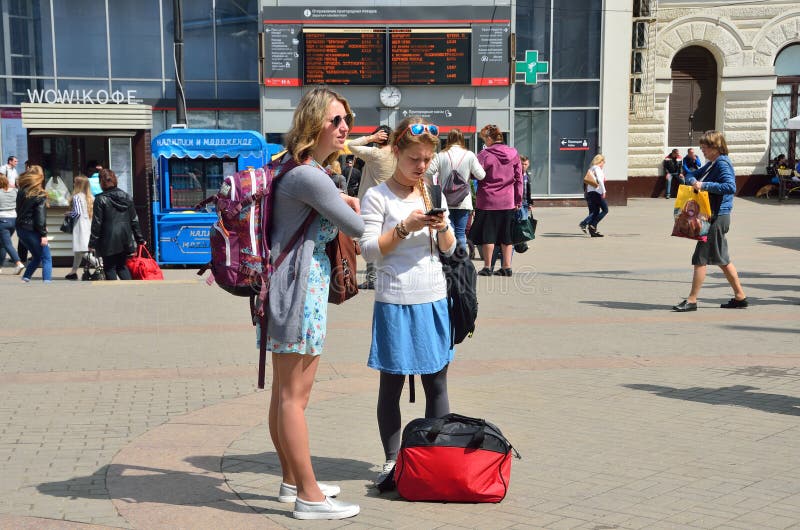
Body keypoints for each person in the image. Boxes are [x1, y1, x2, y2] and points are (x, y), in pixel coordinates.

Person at [264, 87, 364, 520]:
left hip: (293, 288)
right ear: (313, 124)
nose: (345, 128)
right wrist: (346, 201)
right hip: (299, 290)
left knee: (284, 396)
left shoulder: (296, 169)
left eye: (346, 120)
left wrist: (337, 196)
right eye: (336, 120)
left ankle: (293, 481)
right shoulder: (309, 175)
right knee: (293, 398)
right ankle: (309, 497)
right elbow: (357, 227)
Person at [360, 116, 456, 487]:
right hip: (395, 300)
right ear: (396, 152)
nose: (421, 166)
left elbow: (451, 250)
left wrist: (441, 226)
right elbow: (369, 251)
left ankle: (434, 457)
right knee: (392, 385)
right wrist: (405, 228)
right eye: (414, 158)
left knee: (438, 384)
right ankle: (391, 461)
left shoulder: (432, 192)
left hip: (433, 298)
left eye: (427, 159)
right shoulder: (377, 196)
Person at [672, 130, 747, 312]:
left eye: (705, 147)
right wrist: (691, 179)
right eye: (701, 147)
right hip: (715, 216)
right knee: (722, 259)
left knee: (701, 258)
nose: (702, 150)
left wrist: (703, 185)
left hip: (716, 217)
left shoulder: (722, 163)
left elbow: (730, 187)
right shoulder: (712, 163)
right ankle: (740, 296)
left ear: (716, 147)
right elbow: (692, 174)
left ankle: (691, 300)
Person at [470, 124, 522, 277]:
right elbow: (519, 178)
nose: (483, 142)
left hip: (488, 201)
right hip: (508, 200)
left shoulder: (484, 155)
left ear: (489, 138)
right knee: (506, 235)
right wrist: (518, 199)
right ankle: (507, 267)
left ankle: (487, 267)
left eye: (484, 139)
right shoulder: (514, 154)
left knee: (489, 235)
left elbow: (476, 174)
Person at [348, 125, 397, 290]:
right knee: (390, 239)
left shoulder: (375, 154)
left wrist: (370, 139)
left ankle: (372, 278)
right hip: (393, 200)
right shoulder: (398, 154)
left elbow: (351, 145)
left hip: (372, 203)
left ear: (379, 138)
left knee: (370, 240)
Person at [424, 128, 485, 250]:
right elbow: (481, 175)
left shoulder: (441, 155)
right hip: (463, 200)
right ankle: (461, 262)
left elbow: (428, 172)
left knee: (447, 231)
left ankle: (449, 260)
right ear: (462, 139)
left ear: (449, 140)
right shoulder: (469, 155)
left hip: (444, 200)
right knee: (461, 233)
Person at [88, 169, 145, 280]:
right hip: (125, 237)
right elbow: (134, 219)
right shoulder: (127, 197)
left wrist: (92, 243)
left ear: (101, 182)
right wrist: (140, 239)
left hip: (107, 239)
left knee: (109, 268)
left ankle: (114, 292)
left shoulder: (100, 199)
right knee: (122, 266)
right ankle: (130, 291)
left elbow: (97, 223)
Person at [14, 165, 52, 283]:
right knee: (46, 257)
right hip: (33, 229)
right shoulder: (40, 194)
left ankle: (26, 278)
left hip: (21, 228)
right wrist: (43, 235)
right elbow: (40, 218)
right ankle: (47, 282)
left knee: (37, 256)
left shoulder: (21, 191)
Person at [65, 175, 97, 280]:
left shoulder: (77, 197)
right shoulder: (91, 197)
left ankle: (100, 265)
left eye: (75, 182)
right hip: (89, 224)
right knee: (78, 251)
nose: (73, 184)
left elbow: (77, 213)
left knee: (82, 250)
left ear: (78, 185)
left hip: (80, 226)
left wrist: (69, 214)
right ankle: (73, 272)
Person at [0, 174, 25, 275]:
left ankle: (18, 263)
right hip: (13, 219)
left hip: (2, 220)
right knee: (1, 244)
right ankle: (0, 266)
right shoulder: (15, 191)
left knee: (7, 244)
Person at [579, 154, 609, 237]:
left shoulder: (591, 168)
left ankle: (592, 231)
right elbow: (599, 180)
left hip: (590, 193)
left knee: (595, 211)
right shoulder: (597, 168)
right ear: (601, 161)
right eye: (604, 162)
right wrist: (604, 191)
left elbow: (587, 182)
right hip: (596, 193)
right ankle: (585, 223)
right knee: (605, 210)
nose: (604, 164)